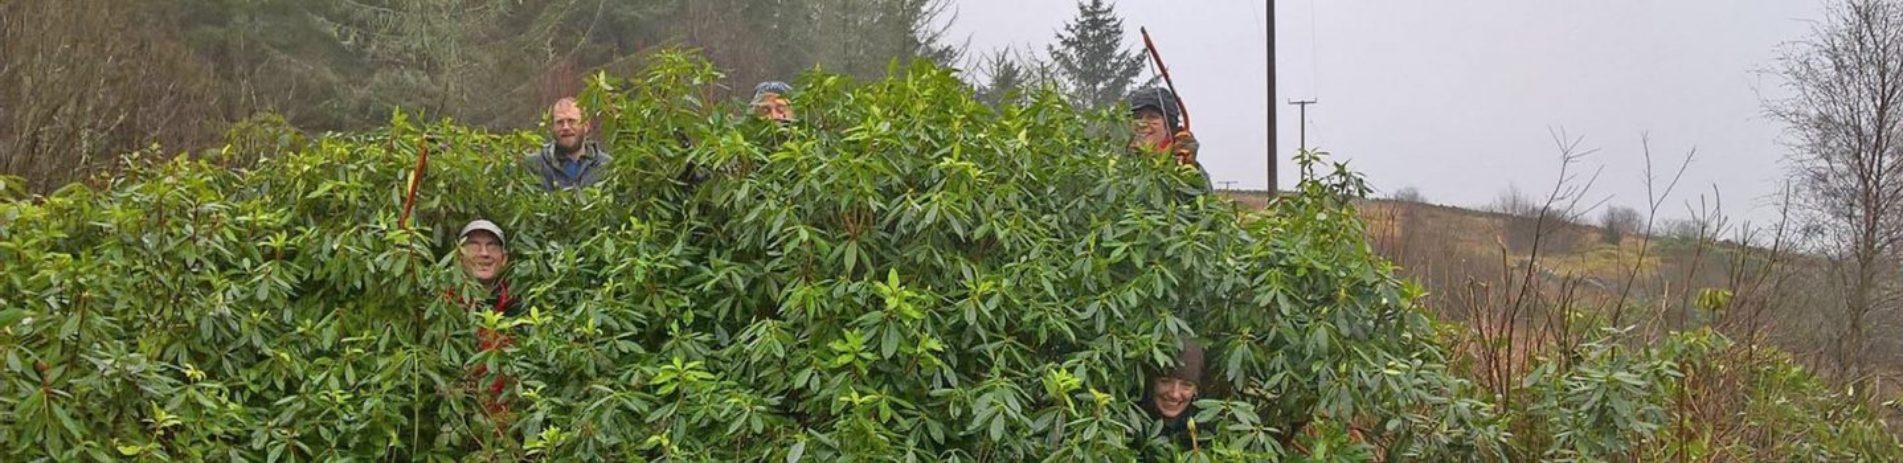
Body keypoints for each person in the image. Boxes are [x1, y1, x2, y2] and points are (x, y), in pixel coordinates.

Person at [446, 219, 522, 423]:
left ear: (504, 258)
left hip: (509, 420)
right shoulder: (445, 306)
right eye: (473, 245)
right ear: (459, 256)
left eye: (492, 246)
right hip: (459, 419)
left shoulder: (519, 306)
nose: (484, 253)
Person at [1127, 88, 1211, 191]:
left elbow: (1203, 196)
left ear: (1169, 125)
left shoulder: (1182, 163)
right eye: (1137, 117)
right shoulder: (1120, 161)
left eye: (1152, 117)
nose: (1142, 124)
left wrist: (1190, 166)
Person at [524, 98, 613, 191]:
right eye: (559, 122)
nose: (565, 127)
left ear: (586, 126)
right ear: (552, 128)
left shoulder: (607, 166)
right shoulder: (535, 165)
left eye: (571, 121)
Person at [1137, 339, 1207, 455]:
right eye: (1165, 382)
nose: (1174, 394)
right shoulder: (1129, 423)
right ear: (1151, 383)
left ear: (1196, 390)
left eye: (1187, 385)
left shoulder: (1207, 428)